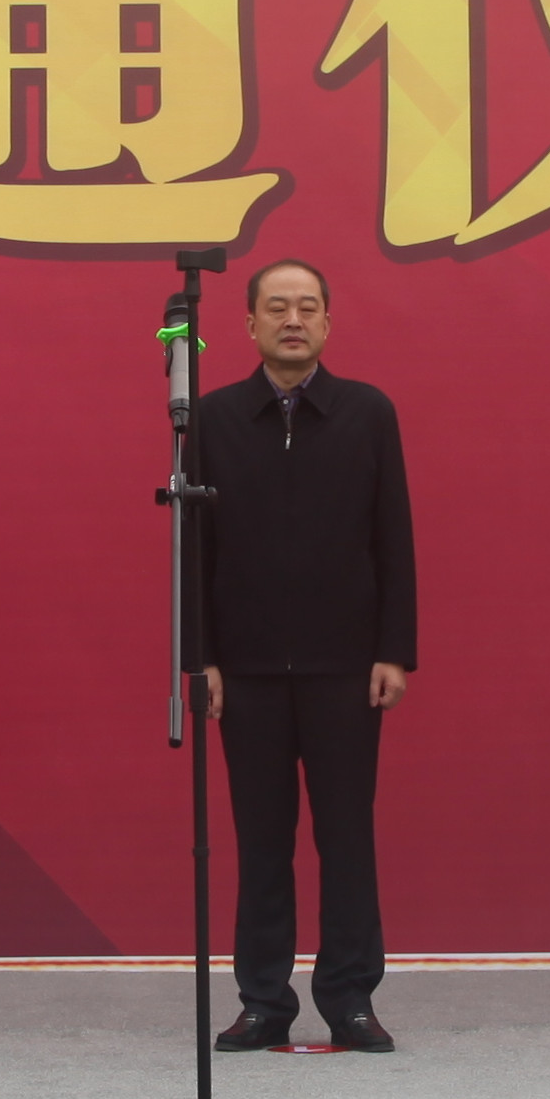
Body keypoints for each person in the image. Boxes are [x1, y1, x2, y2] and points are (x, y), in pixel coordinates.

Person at [187, 257, 416, 1052]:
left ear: (328, 322)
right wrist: (202, 657)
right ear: (249, 324)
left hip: (346, 668)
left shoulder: (367, 412)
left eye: (308, 307)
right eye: (277, 308)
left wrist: (394, 650)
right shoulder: (212, 419)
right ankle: (264, 1000)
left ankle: (350, 998)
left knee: (347, 837)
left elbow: (394, 536)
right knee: (262, 842)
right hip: (245, 670)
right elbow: (194, 548)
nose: (293, 320)